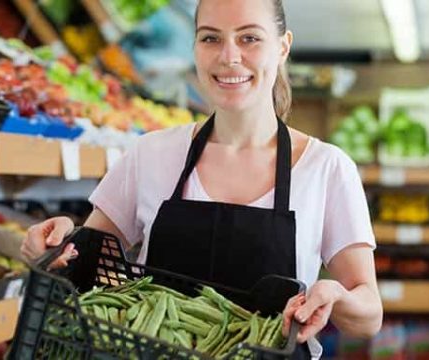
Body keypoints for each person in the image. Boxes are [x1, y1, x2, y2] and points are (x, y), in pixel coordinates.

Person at [20, 0, 382, 358]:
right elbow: (87, 261)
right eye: (210, 38)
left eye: (249, 38)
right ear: (194, 47)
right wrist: (59, 242)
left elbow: (368, 316)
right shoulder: (151, 154)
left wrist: (335, 294)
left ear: (283, 46)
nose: (228, 56)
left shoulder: (327, 168)